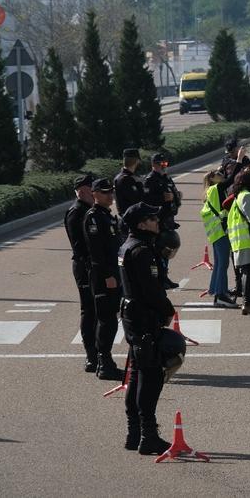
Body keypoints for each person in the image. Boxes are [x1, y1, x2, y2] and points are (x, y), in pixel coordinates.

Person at [117, 202, 176, 455]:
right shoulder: (142, 251)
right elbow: (151, 289)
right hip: (143, 317)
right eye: (151, 218)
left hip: (132, 314)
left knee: (137, 374)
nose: (156, 221)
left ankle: (134, 433)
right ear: (141, 224)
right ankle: (148, 435)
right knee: (149, 377)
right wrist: (166, 309)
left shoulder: (127, 245)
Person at [84, 178, 124, 380]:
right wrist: (108, 275)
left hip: (113, 274)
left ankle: (106, 361)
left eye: (111, 192)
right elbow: (96, 252)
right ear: (95, 194)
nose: (110, 196)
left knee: (111, 320)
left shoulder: (107, 217)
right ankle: (104, 363)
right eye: (106, 192)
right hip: (103, 276)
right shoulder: (93, 218)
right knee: (106, 320)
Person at [64, 174, 98, 373]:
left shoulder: (89, 210)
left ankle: (98, 354)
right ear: (83, 191)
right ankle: (91, 356)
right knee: (89, 310)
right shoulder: (76, 213)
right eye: (92, 188)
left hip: (94, 267)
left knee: (97, 310)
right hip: (85, 268)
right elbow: (80, 247)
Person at [226, 171, 250, 316]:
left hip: (242, 241)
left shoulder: (238, 196)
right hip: (248, 241)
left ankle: (249, 302)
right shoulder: (247, 196)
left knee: (249, 272)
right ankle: (247, 303)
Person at [142, 153, 181, 290]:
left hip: (169, 219)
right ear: (154, 165)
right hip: (157, 221)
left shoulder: (167, 178)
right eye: (161, 164)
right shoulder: (150, 180)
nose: (164, 166)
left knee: (167, 250)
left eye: (165, 164)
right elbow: (146, 200)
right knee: (158, 252)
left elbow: (175, 195)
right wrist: (162, 198)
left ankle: (165, 277)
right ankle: (160, 279)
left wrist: (176, 199)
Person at [199, 170, 238, 308]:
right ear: (213, 178)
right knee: (223, 264)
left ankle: (215, 289)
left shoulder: (211, 191)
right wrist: (239, 161)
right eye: (219, 175)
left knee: (218, 263)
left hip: (216, 233)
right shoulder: (216, 188)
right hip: (221, 231)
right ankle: (220, 295)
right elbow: (232, 179)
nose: (222, 176)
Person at [114, 148, 145, 224]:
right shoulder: (125, 179)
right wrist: (139, 184)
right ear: (136, 161)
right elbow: (137, 200)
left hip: (131, 216)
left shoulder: (123, 177)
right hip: (131, 219)